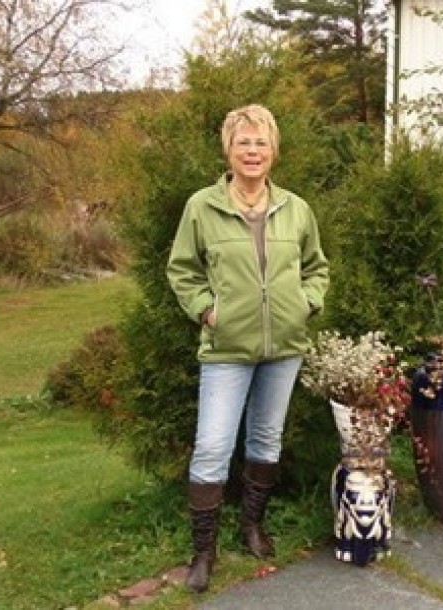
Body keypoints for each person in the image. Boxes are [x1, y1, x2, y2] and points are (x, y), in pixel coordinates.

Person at [166, 104, 329, 593]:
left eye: (261, 142)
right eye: (244, 142)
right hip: (226, 349)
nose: (253, 151)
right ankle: (203, 552)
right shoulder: (202, 206)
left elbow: (316, 267)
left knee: (265, 440)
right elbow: (182, 270)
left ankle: (252, 526)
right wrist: (206, 310)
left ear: (273, 150)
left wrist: (308, 301)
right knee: (213, 447)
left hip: (284, 345)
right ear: (229, 150)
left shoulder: (296, 209)